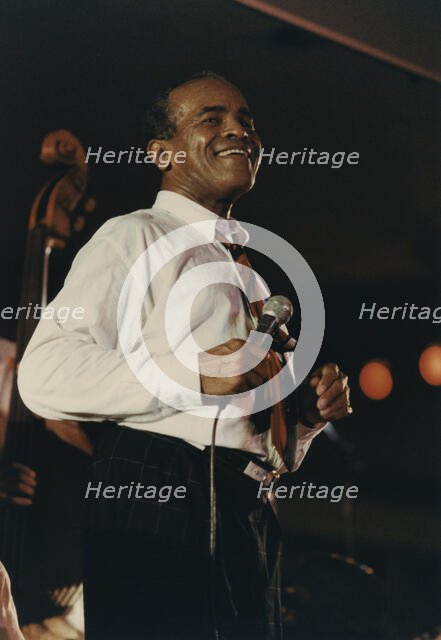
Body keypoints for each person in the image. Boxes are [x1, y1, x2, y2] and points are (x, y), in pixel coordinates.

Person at [17, 72, 352, 639]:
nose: (239, 130)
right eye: (212, 119)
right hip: (163, 492)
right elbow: (43, 372)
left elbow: (247, 436)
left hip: (246, 505)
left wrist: (304, 423)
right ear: (163, 152)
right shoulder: (134, 237)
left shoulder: (245, 275)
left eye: (246, 119)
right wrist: (192, 374)